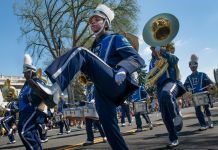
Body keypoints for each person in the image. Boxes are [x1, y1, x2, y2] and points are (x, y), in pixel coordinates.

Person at [31, 4, 144, 150]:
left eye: (97, 20)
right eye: (91, 22)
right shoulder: (94, 46)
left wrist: (123, 69)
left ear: (106, 23)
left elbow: (137, 58)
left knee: (80, 51)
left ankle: (55, 90)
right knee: (110, 128)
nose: (93, 23)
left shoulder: (117, 38)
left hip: (116, 81)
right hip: (101, 89)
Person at [148, 43, 186, 148]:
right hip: (159, 87)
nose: (153, 50)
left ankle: (176, 117)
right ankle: (173, 138)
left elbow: (174, 60)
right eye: (152, 48)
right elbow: (151, 75)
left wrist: (163, 51)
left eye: (154, 48)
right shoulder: (152, 62)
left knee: (167, 93)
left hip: (172, 82)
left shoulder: (167, 55)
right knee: (164, 115)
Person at [18, 54, 49, 150]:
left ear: (32, 72)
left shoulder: (38, 81)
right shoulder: (26, 83)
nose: (24, 75)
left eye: (26, 72)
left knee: (24, 131)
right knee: (31, 132)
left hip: (33, 109)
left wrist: (41, 108)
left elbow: (47, 95)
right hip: (25, 111)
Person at [184, 54, 214, 131]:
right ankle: (203, 124)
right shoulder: (188, 78)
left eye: (194, 67)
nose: (193, 68)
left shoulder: (202, 74)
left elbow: (210, 83)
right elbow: (185, 86)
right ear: (190, 68)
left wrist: (210, 85)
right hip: (195, 95)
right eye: (191, 67)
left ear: (196, 67)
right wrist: (188, 89)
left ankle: (210, 121)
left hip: (203, 93)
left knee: (206, 108)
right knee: (197, 111)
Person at [1, 79, 18, 144]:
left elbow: (16, 110)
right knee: (7, 126)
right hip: (8, 116)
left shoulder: (13, 102)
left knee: (3, 121)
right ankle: (12, 140)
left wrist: (9, 110)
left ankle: (10, 131)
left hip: (11, 116)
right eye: (7, 96)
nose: (7, 97)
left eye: (9, 96)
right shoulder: (7, 103)